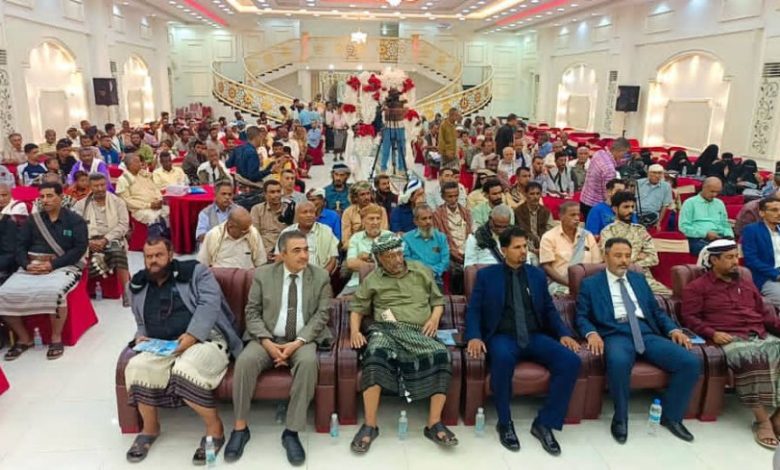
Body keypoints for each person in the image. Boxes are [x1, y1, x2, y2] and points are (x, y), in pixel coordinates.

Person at [122, 238, 243, 464]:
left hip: (205, 340)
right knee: (136, 367)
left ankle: (214, 429)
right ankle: (150, 428)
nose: (153, 261)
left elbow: (209, 305)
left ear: (171, 254)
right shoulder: (137, 284)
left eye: (159, 255)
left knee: (184, 369)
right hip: (163, 344)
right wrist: (141, 336)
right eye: (149, 257)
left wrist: (192, 336)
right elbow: (140, 320)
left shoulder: (197, 273)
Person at [466, 226, 582, 454]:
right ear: (504, 250)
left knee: (571, 361)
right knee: (502, 360)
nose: (523, 251)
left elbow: (549, 309)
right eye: (517, 247)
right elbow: (474, 310)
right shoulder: (486, 276)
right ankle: (505, 422)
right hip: (502, 336)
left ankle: (545, 423)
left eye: (525, 246)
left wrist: (564, 334)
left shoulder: (536, 275)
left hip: (534, 335)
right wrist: (474, 336)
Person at [575, 237, 700, 444]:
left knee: (690, 362)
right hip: (616, 332)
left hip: (645, 332)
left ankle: (671, 416)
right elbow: (581, 316)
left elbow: (656, 311)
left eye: (627, 256)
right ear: (606, 256)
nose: (624, 260)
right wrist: (591, 333)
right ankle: (620, 418)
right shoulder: (590, 284)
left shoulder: (638, 280)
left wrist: (673, 330)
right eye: (618, 256)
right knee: (618, 362)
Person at [224, 230, 332, 465]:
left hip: (302, 339)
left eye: (306, 249)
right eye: (297, 251)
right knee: (244, 362)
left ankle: (291, 432)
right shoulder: (263, 275)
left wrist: (298, 342)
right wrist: (267, 342)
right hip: (267, 337)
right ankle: (240, 428)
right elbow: (252, 312)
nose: (304, 255)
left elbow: (322, 315)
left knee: (308, 363)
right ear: (282, 254)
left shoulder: (321, 276)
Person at [348, 232, 458, 453]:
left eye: (398, 254)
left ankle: (434, 423)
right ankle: (370, 425)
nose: (397, 260)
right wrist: (354, 332)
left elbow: (438, 301)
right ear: (379, 259)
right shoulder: (373, 279)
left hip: (419, 331)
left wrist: (434, 319)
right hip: (386, 329)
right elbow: (357, 308)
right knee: (375, 355)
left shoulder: (421, 270)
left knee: (442, 355)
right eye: (389, 256)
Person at [681, 239, 780, 449]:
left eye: (736, 256)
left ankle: (777, 419)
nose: (736, 262)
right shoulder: (697, 287)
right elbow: (690, 318)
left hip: (759, 333)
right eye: (729, 258)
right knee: (750, 359)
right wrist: (713, 333)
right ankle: (762, 421)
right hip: (729, 336)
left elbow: (764, 313)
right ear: (714, 260)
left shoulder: (746, 283)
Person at [0, 182, 87, 361]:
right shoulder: (33, 220)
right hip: (32, 265)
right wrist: (26, 265)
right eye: (42, 197)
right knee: (3, 294)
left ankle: (56, 338)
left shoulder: (75, 220)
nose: (45, 200)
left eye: (50, 196)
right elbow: (20, 247)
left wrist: (52, 265)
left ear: (60, 197)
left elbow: (79, 249)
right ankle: (24, 338)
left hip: (63, 265)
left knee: (55, 293)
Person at [72, 173, 131, 304]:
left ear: (107, 185)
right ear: (90, 186)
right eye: (96, 186)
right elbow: (76, 228)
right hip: (88, 241)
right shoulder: (81, 205)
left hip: (112, 238)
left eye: (102, 185)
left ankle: (127, 292)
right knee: (78, 257)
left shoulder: (118, 202)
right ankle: (81, 295)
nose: (100, 189)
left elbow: (123, 225)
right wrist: (88, 242)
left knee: (118, 252)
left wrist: (105, 239)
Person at [599, 191, 671, 295]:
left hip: (645, 278)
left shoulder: (640, 230)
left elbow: (654, 259)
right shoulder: (608, 232)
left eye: (632, 207)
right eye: (626, 207)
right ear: (615, 209)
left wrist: (629, 262)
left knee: (669, 296)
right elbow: (610, 261)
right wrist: (637, 256)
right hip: (619, 277)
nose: (631, 210)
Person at [540, 202, 602, 295]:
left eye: (578, 215)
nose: (577, 218)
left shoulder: (587, 236)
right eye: (572, 215)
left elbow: (597, 264)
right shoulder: (549, 237)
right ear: (561, 216)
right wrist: (570, 284)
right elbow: (547, 266)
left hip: (588, 284)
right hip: (561, 283)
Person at [342, 204, 392, 296]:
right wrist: (380, 263)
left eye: (378, 218)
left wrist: (369, 257)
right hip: (358, 282)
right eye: (371, 219)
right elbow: (351, 264)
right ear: (363, 221)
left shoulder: (389, 236)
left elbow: (393, 264)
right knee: (340, 301)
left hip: (386, 282)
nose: (375, 222)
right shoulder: (356, 238)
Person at [433, 181, 473, 293]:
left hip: (468, 252)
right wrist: (455, 254)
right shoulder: (437, 214)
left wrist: (468, 253)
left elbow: (471, 235)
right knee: (456, 271)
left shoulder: (465, 213)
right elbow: (439, 240)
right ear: (443, 197)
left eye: (456, 196)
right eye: (450, 196)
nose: (453, 199)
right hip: (449, 254)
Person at [278, 201, 339, 273]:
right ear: (297, 215)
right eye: (305, 212)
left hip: (320, 274)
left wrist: (322, 276)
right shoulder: (287, 233)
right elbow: (279, 258)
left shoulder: (326, 231)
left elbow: (332, 259)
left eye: (311, 212)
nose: (309, 215)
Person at [741, 197, 780, 308]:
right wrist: (776, 274)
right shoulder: (751, 230)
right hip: (767, 277)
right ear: (762, 213)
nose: (779, 213)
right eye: (774, 210)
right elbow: (751, 260)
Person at [679, 176, 734, 255]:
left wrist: (729, 236)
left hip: (719, 237)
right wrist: (705, 233)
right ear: (703, 187)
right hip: (698, 239)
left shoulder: (719, 203)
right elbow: (683, 227)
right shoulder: (690, 203)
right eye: (712, 191)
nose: (714, 194)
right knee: (718, 252)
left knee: (733, 249)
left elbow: (725, 224)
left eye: (717, 192)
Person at [197, 207, 266, 269]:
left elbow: (260, 262)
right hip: (220, 277)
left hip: (246, 276)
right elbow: (203, 264)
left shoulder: (253, 233)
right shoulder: (213, 235)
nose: (248, 231)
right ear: (230, 226)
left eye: (249, 227)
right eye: (244, 230)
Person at [403, 204, 450, 287]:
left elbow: (445, 261)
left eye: (430, 218)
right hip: (415, 278)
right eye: (424, 219)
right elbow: (406, 260)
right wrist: (422, 271)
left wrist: (432, 271)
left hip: (436, 278)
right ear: (415, 221)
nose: (428, 221)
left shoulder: (441, 237)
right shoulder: (407, 238)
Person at [580, 138, 628, 218]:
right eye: (625, 153)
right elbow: (607, 195)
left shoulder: (599, 153)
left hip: (584, 199)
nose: (624, 156)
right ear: (620, 150)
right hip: (596, 206)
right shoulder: (609, 169)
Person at [116, 154, 169, 226]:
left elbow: (155, 189)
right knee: (157, 218)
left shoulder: (144, 174)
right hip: (141, 209)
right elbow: (127, 201)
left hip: (156, 204)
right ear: (130, 165)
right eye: (137, 162)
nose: (140, 164)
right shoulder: (123, 180)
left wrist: (159, 200)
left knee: (172, 211)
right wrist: (149, 205)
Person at [514, 182, 554, 265]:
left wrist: (544, 248)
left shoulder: (546, 212)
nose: (535, 197)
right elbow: (519, 233)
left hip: (544, 246)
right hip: (526, 247)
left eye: (537, 194)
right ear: (525, 194)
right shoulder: (518, 212)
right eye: (532, 194)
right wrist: (533, 250)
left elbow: (550, 232)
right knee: (534, 262)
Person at [251, 179, 291, 260]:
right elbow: (254, 236)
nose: (276, 195)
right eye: (272, 192)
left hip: (286, 253)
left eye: (278, 191)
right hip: (264, 253)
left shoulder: (289, 209)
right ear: (265, 194)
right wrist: (263, 253)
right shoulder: (257, 209)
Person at [341, 181, 388, 247]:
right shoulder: (348, 212)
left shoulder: (381, 210)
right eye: (362, 194)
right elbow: (345, 241)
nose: (366, 197)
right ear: (355, 198)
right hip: (355, 247)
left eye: (368, 194)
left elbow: (384, 235)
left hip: (377, 247)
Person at [636, 164, 673, 230]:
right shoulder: (638, 183)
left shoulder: (666, 186)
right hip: (635, 213)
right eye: (654, 172)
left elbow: (665, 206)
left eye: (659, 173)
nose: (657, 175)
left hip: (652, 214)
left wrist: (659, 222)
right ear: (648, 174)